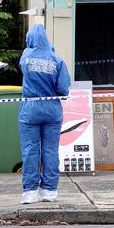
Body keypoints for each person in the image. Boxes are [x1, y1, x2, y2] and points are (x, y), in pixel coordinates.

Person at [18, 24, 71, 204]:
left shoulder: (26, 56)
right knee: (50, 150)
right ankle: (49, 190)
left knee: (30, 150)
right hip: (51, 110)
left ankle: (30, 192)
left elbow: (23, 67)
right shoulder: (57, 59)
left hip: (30, 109)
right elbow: (64, 90)